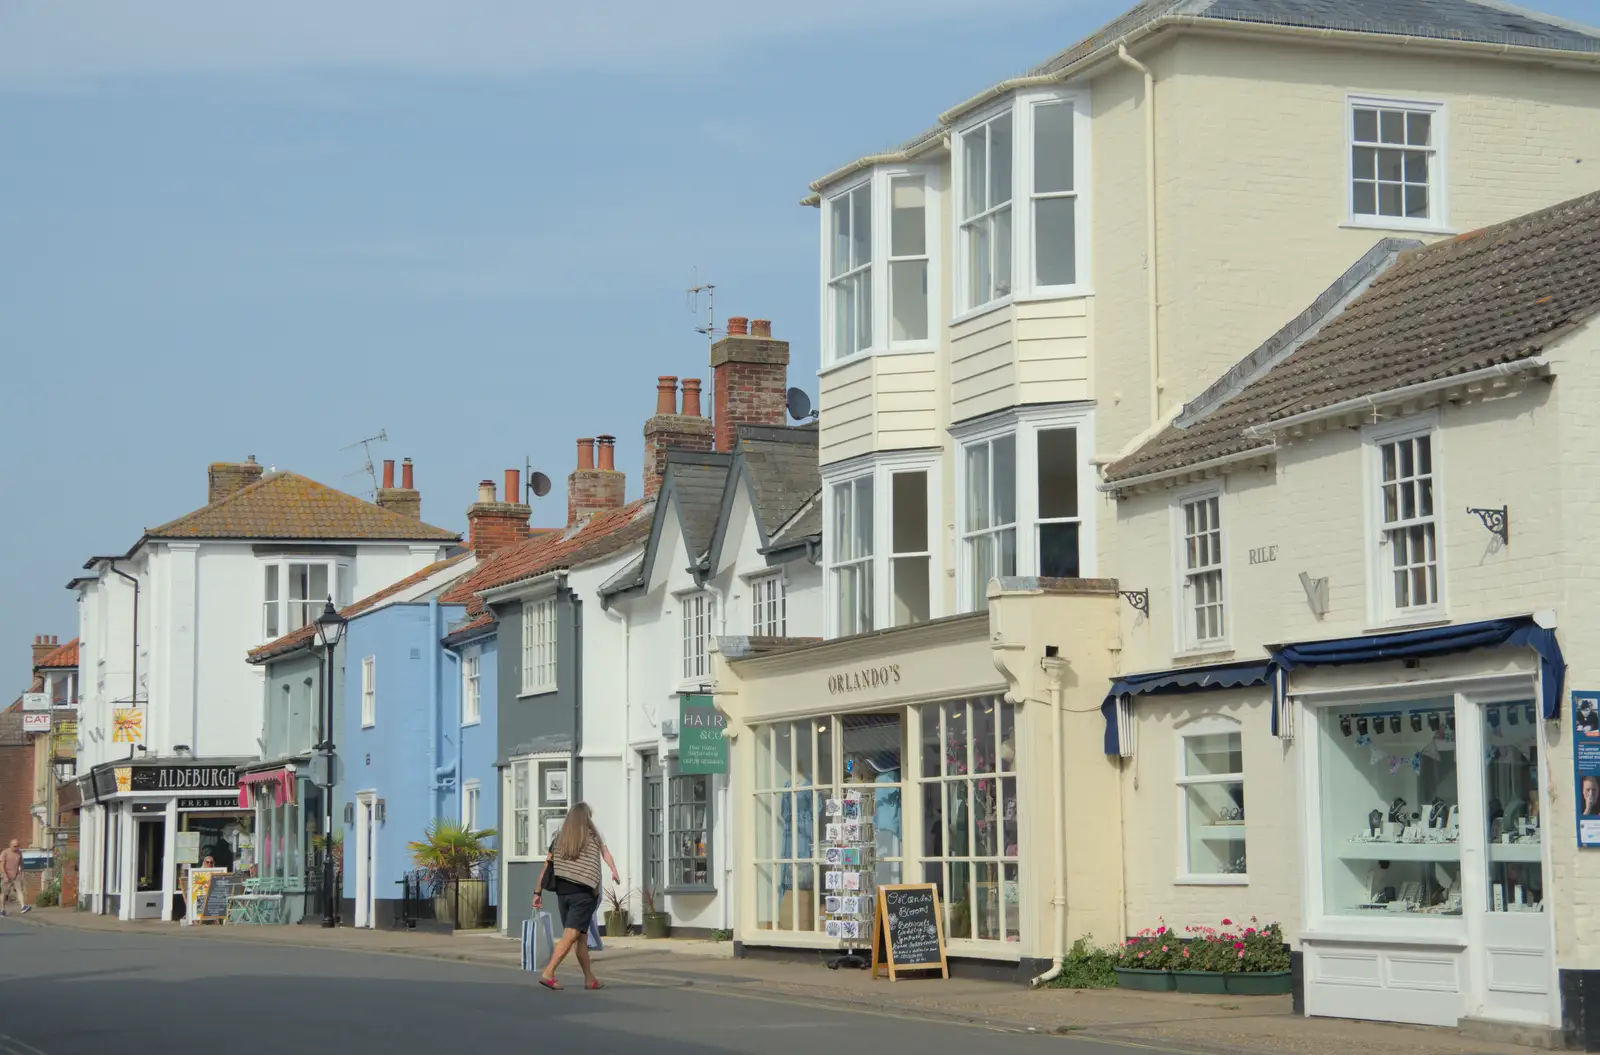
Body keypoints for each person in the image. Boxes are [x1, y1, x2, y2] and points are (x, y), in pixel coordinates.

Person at [533, 803, 619, 991]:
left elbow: (547, 866)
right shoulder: (593, 835)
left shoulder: (559, 838)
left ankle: (590, 979)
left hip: (563, 893)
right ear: (587, 817)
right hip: (583, 893)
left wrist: (537, 892)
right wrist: (613, 869)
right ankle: (549, 972)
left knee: (580, 936)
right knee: (572, 934)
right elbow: (605, 852)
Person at [0, 839, 30, 916]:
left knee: (19, 890)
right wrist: (5, 875)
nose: (16, 848)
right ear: (10, 845)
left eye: (18, 846)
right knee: (4, 893)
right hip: (6, 874)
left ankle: (23, 906)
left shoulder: (19, 853)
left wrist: (22, 872)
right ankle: (2, 910)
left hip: (16, 874)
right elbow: (1, 865)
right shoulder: (5, 853)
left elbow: (21, 864)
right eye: (15, 846)